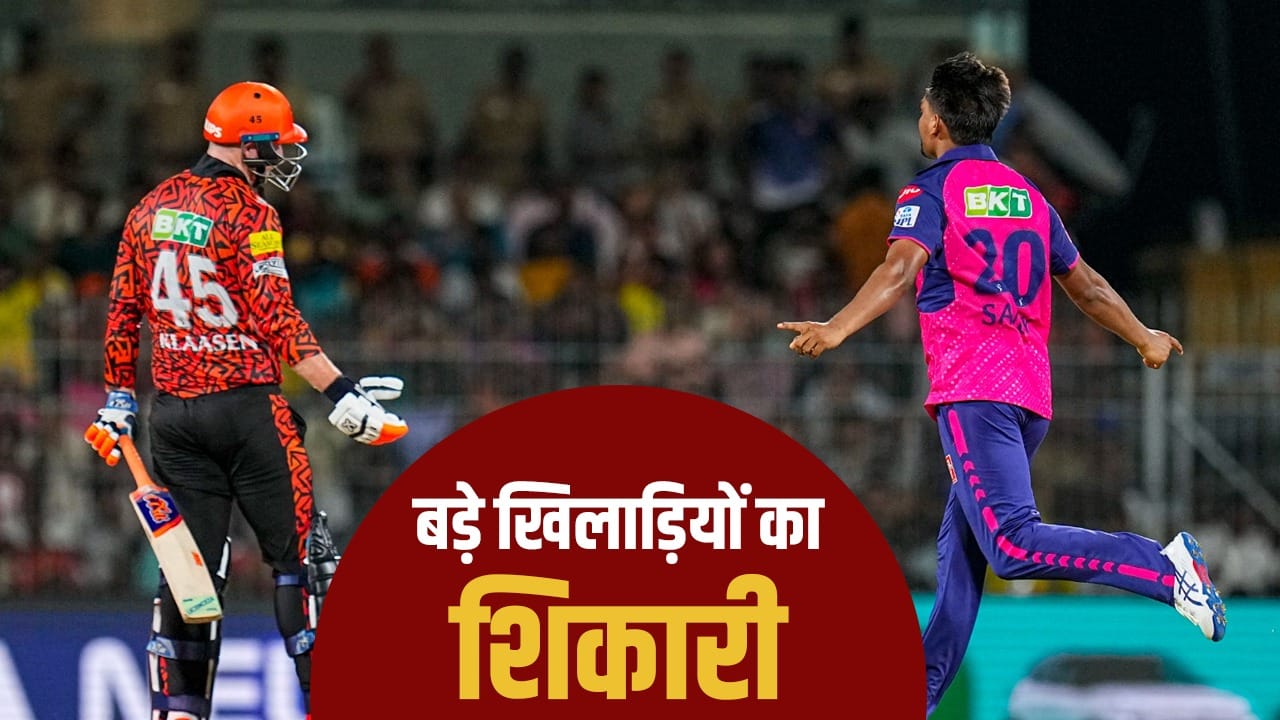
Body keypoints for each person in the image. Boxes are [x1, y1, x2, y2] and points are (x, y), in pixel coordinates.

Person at [776, 52, 1227, 716]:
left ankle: (1163, 569)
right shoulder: (1028, 197)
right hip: (1027, 397)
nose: (921, 121)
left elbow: (899, 270)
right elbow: (1088, 286)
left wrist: (839, 326)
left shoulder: (931, 192)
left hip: (973, 391)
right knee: (960, 559)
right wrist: (1142, 337)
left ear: (935, 122)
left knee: (1011, 544)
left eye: (923, 111)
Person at [82, 81, 409, 719]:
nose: (284, 158)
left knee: (190, 576)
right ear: (249, 145)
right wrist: (342, 393)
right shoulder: (250, 214)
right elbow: (279, 321)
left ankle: (178, 712)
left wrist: (119, 396)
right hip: (248, 413)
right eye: (277, 145)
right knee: (303, 564)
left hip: (173, 419)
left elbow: (121, 311)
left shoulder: (149, 207)